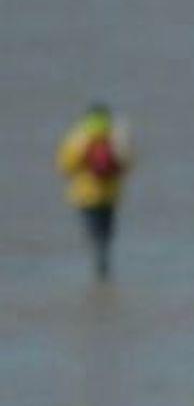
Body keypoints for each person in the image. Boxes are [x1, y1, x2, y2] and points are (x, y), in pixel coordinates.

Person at [54, 102, 134, 282]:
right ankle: (103, 262)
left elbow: (64, 165)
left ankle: (98, 261)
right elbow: (128, 164)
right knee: (106, 231)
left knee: (92, 230)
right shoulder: (115, 136)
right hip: (110, 193)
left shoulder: (78, 137)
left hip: (84, 194)